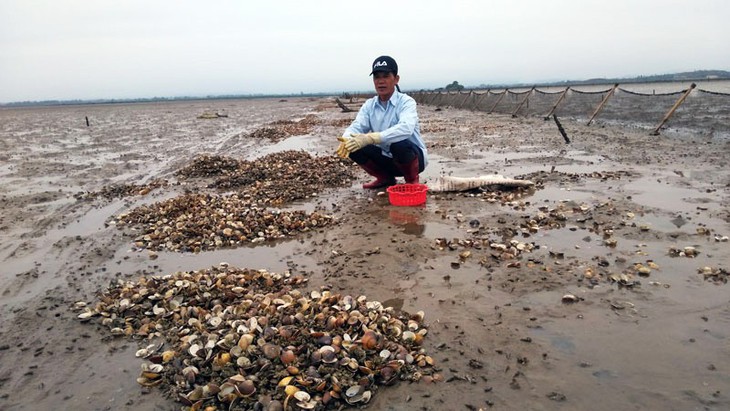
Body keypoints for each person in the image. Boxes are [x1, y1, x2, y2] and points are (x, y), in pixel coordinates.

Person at [337, 55, 428, 189]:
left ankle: (412, 180)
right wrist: (346, 139)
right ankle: (385, 178)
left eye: (386, 76)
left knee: (398, 143)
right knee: (353, 146)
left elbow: (406, 128)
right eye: (377, 77)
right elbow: (357, 126)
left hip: (412, 158)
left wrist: (372, 138)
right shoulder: (369, 105)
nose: (381, 81)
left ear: (396, 79)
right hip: (386, 159)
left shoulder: (406, 102)